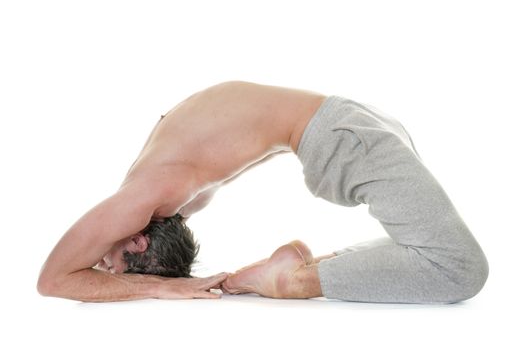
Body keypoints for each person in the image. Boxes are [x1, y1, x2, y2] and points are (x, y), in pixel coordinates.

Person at [37, 81, 488, 303]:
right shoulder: (172, 188)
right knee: (451, 263)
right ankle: (296, 274)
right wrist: (165, 279)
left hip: (340, 131)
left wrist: (156, 287)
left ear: (136, 238)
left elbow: (53, 280)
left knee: (455, 268)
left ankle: (295, 279)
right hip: (343, 129)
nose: (102, 266)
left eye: (109, 266)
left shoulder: (141, 196)